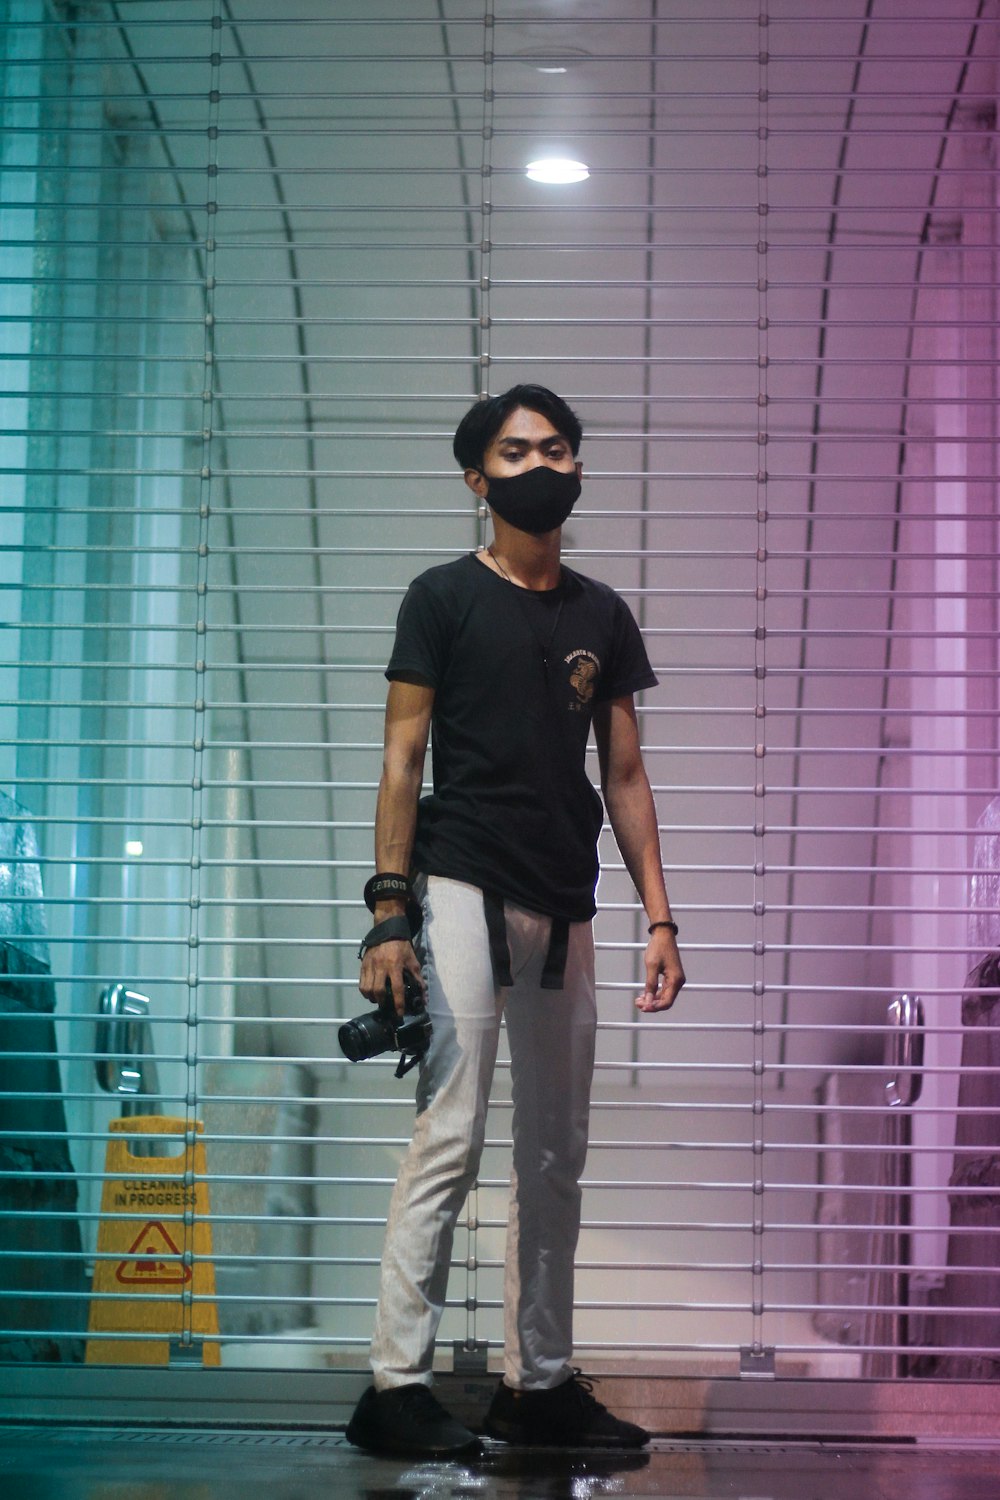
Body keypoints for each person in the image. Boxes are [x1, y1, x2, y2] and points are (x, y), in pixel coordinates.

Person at [345, 384, 685, 1457]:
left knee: (554, 1154)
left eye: (556, 447)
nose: (540, 462)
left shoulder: (600, 614)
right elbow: (403, 759)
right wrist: (387, 913)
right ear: (476, 477)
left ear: (576, 468)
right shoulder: (440, 597)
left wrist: (661, 921)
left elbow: (624, 777)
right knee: (448, 1139)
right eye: (515, 448)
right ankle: (393, 1387)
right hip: (458, 888)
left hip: (566, 901)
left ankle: (535, 1387)